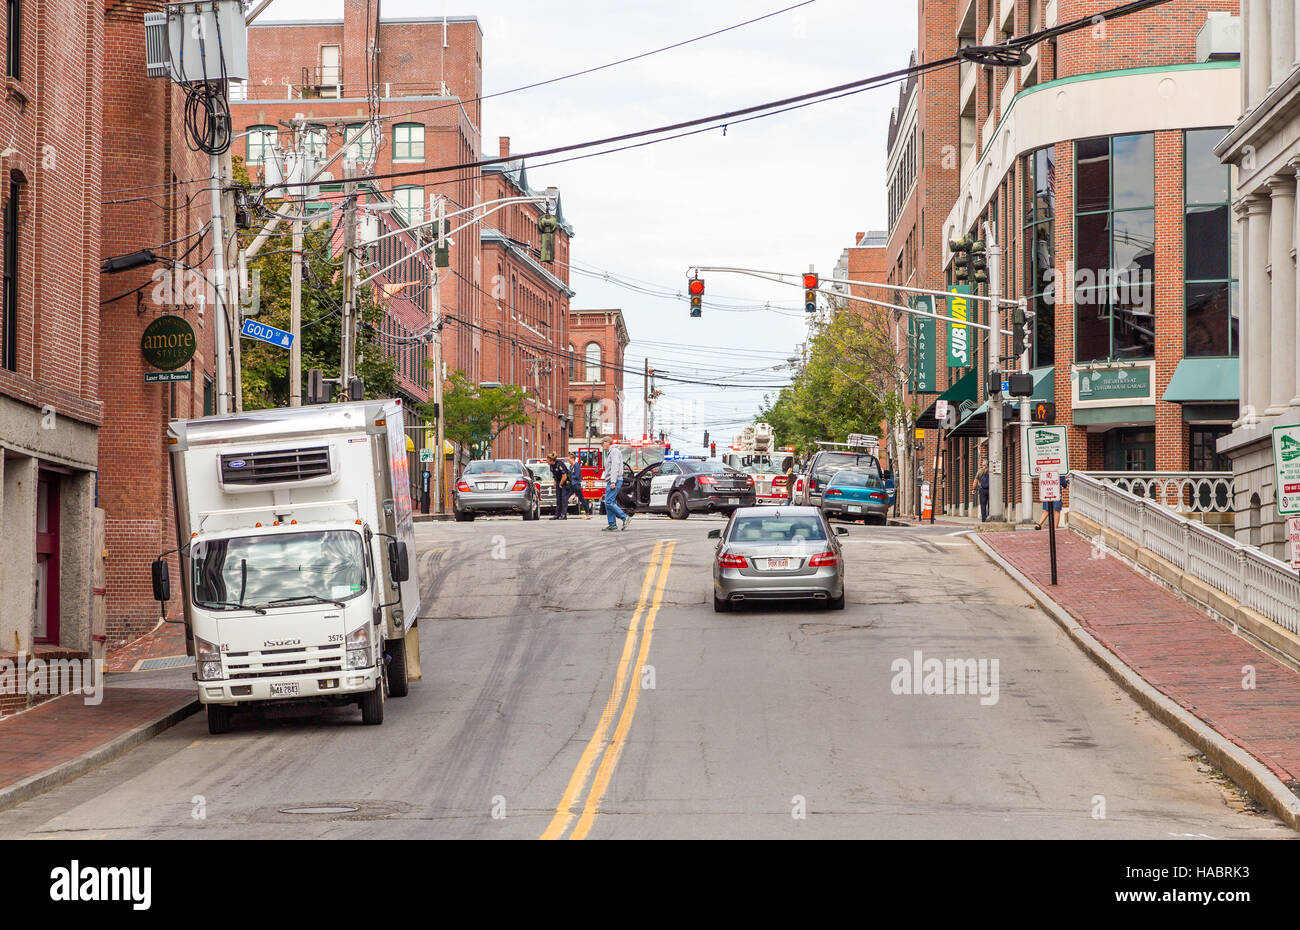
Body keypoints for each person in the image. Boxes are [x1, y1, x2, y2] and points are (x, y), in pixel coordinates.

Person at [600, 436, 630, 531]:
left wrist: (613, 481)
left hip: (615, 480)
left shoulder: (614, 452)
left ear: (608, 442)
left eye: (603, 443)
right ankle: (612, 524)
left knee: (608, 502)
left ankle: (625, 517)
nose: (602, 445)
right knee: (608, 502)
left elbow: (615, 467)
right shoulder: (610, 452)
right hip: (612, 480)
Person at [566, 452, 591, 518]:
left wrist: (570, 476)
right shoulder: (570, 466)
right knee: (566, 497)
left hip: (576, 485)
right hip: (572, 485)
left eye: (569, 460)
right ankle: (563, 513)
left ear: (572, 459)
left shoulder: (576, 465)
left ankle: (587, 514)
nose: (568, 461)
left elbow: (577, 475)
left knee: (582, 499)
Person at [547, 453, 569, 520]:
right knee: (558, 499)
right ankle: (557, 515)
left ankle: (564, 515)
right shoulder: (551, 465)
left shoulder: (559, 464)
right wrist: (555, 481)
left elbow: (564, 476)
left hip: (564, 482)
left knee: (563, 499)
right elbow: (555, 474)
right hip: (558, 481)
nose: (547, 461)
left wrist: (560, 484)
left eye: (547, 460)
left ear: (551, 460)